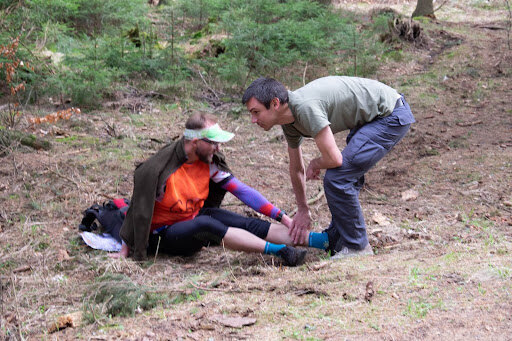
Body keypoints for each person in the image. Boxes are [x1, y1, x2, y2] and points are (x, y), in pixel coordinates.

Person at [116, 113, 329, 266]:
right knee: (208, 224)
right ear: (195, 142)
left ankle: (323, 241)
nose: (219, 148)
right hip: (163, 235)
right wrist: (126, 249)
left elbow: (242, 191)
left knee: (243, 222)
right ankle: (281, 252)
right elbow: (137, 210)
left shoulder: (208, 163)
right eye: (214, 143)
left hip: (193, 218)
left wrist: (284, 218)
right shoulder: (157, 171)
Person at [242, 76, 415, 258]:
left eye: (256, 112)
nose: (253, 120)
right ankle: (338, 238)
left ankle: (357, 247)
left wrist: (315, 163)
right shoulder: (289, 121)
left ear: (275, 103)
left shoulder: (305, 108)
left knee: (338, 177)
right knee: (342, 174)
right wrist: (302, 209)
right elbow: (296, 169)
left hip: (390, 115)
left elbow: (334, 159)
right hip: (370, 120)